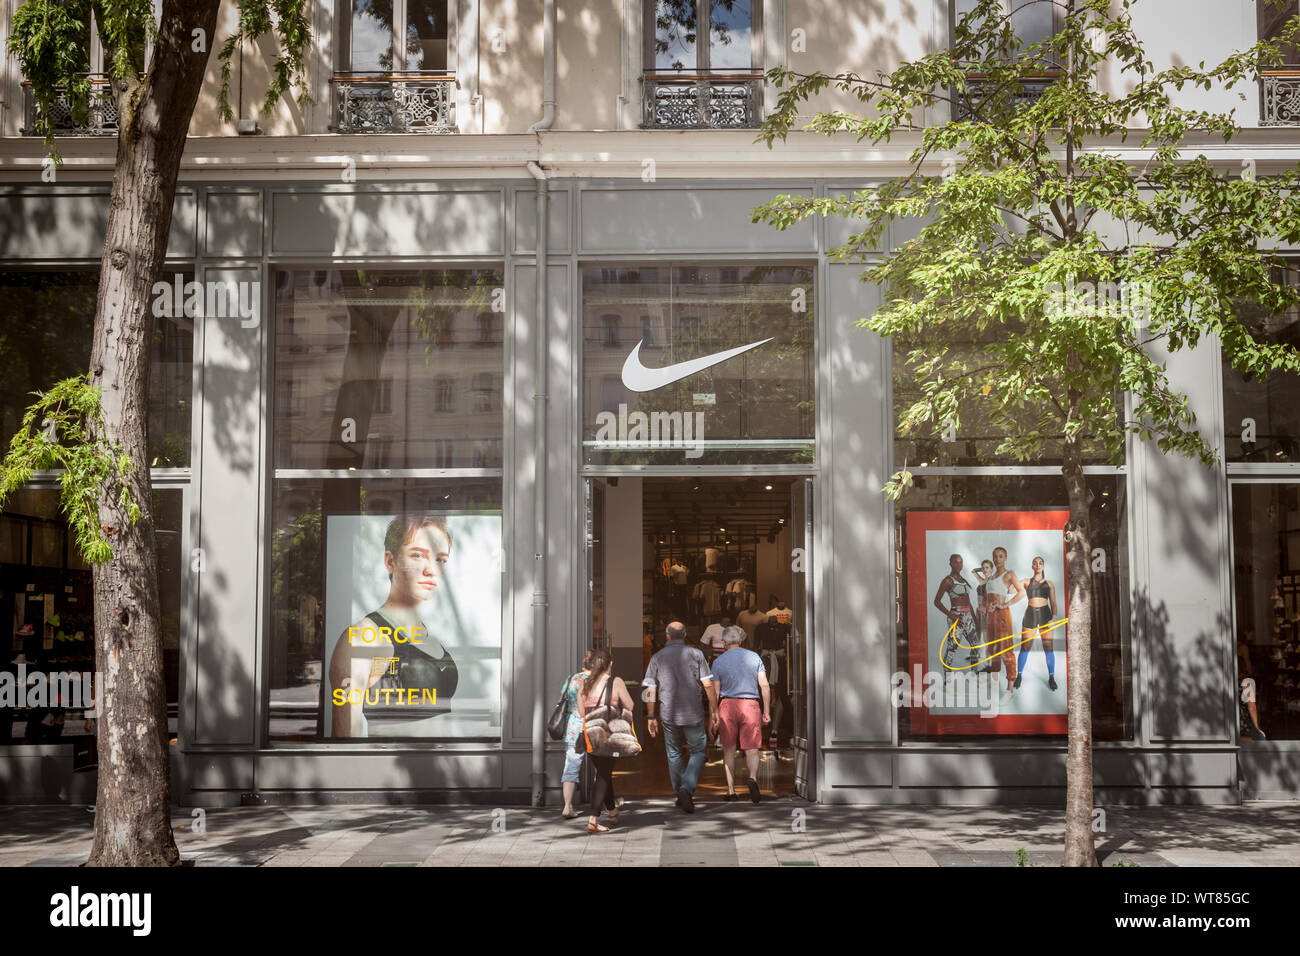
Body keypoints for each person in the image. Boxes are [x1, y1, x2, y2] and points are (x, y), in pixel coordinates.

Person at [328, 514, 458, 737]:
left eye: (441, 559)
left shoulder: (425, 634)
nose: (431, 569)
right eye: (418, 555)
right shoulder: (363, 638)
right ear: (390, 561)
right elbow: (344, 744)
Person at [644, 621, 719, 814]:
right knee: (699, 751)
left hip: (668, 713)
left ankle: (680, 792)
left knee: (674, 753)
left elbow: (650, 689)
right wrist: (714, 709)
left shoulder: (657, 657)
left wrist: (651, 715)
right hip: (693, 712)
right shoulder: (696, 654)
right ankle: (686, 788)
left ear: (667, 636)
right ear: (685, 635)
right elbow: (708, 685)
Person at [711, 626, 770, 803]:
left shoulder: (718, 662)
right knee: (752, 749)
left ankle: (731, 791)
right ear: (741, 641)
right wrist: (766, 711)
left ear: (723, 643)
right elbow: (764, 685)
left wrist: (713, 715)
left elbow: (714, 692)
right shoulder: (754, 657)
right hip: (750, 704)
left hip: (727, 705)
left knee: (729, 749)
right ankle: (752, 778)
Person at [579, 648, 636, 833]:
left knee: (604, 772)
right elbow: (630, 705)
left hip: (589, 736)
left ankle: (612, 811)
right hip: (608, 736)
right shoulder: (616, 681)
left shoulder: (584, 683)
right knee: (603, 775)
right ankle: (593, 819)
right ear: (609, 664)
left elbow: (581, 712)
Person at [559, 650, 595, 818]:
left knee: (571, 766)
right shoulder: (596, 681)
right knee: (600, 766)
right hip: (591, 726)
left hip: (572, 726)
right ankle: (600, 803)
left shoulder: (572, 678)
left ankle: (567, 806)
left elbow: (561, 699)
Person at [982, 546, 1024, 691]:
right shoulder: (991, 577)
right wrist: (987, 607)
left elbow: (1022, 592)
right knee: (992, 647)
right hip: (990, 616)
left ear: (1005, 557)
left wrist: (1005, 604)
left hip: (1002, 615)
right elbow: (988, 597)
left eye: (1000, 556)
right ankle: (994, 684)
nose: (997, 559)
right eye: (995, 556)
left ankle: (1010, 687)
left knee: (1006, 648)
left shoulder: (1009, 574)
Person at [1017, 556, 1060, 691]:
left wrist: (1053, 618)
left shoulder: (1050, 583)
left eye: (1040, 563)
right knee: (1025, 647)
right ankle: (1019, 675)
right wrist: (1010, 578)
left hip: (1045, 616)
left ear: (1043, 566)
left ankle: (1051, 677)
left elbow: (1053, 603)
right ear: (1032, 566)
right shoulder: (1025, 581)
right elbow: (1011, 589)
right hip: (1030, 615)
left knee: (1048, 648)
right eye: (1035, 563)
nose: (1038, 565)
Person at [933, 553, 980, 672]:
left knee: (975, 645)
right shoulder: (947, 581)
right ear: (951, 564)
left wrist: (975, 619)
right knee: (952, 647)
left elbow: (968, 601)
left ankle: (974, 673)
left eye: (961, 562)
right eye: (956, 562)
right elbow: (937, 602)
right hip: (956, 616)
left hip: (968, 615)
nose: (959, 565)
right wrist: (952, 616)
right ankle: (947, 675)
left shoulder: (963, 580)